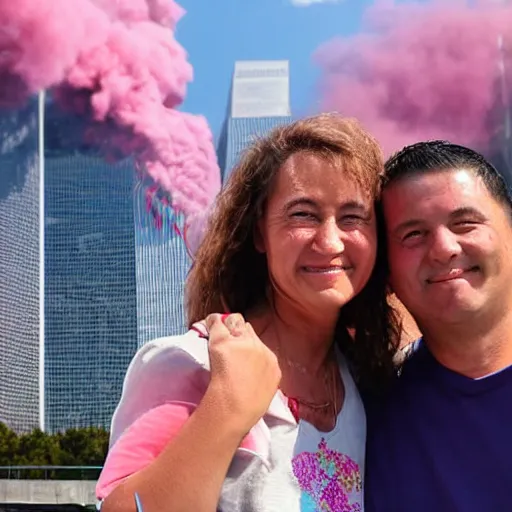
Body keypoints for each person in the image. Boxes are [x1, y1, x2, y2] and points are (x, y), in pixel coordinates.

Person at [96, 113, 402, 512]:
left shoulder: (363, 378)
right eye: (303, 214)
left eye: (353, 217)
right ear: (260, 232)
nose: (330, 241)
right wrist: (224, 408)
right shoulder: (190, 364)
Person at [365, 141, 512, 511]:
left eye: (465, 223)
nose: (444, 248)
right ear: (386, 271)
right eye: (413, 234)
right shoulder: (367, 414)